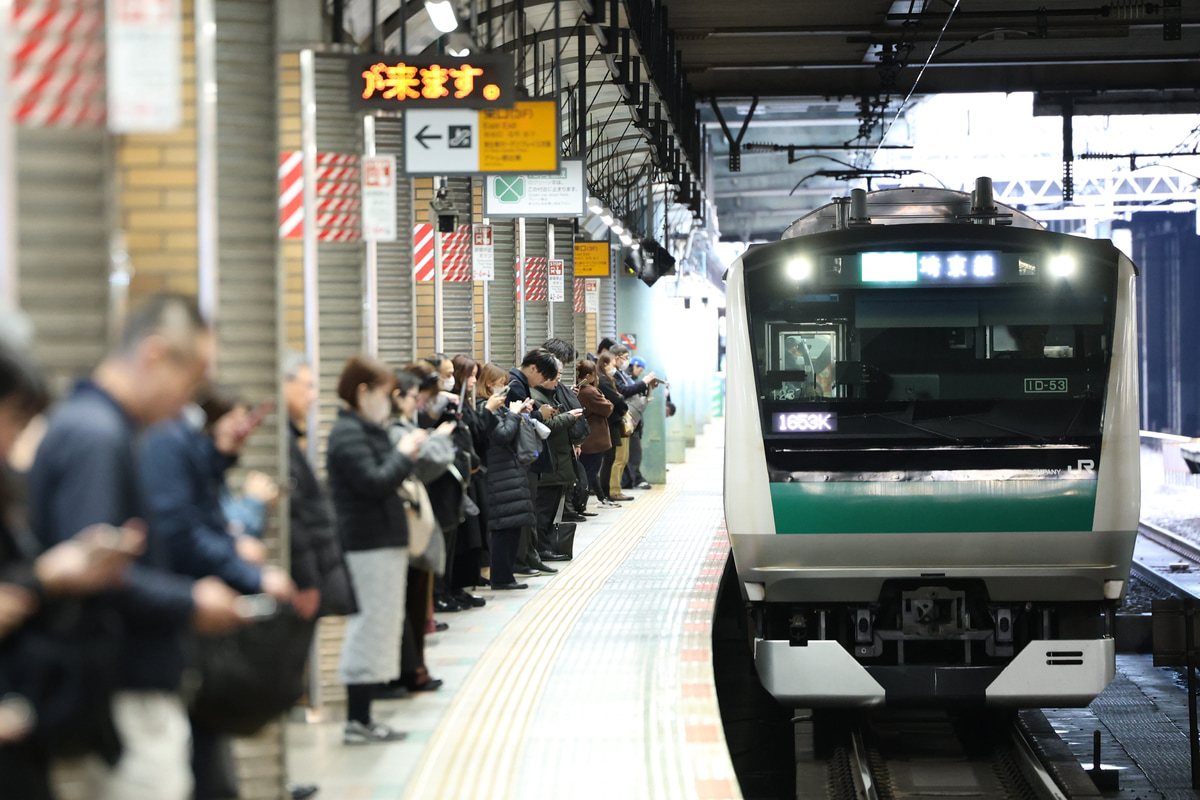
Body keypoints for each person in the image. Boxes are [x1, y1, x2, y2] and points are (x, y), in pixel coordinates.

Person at [29, 294, 245, 800]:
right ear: (154, 356)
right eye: (191, 380)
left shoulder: (99, 428)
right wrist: (190, 601)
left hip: (116, 691)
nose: (189, 402)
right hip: (120, 698)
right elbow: (96, 570)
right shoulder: (97, 438)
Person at [0, 317, 145, 800]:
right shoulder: (96, 434)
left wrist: (52, 577)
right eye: (14, 419)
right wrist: (46, 576)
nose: (16, 441)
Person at [139, 384, 298, 800]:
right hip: (183, 631)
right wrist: (245, 555)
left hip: (200, 631)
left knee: (212, 758)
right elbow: (200, 532)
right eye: (232, 422)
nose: (241, 430)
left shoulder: (200, 462)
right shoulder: (166, 447)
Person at [326, 355, 426, 745]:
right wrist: (404, 453)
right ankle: (357, 719)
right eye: (385, 394)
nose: (389, 401)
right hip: (367, 543)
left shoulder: (365, 429)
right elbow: (375, 480)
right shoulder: (347, 434)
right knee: (368, 626)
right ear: (363, 392)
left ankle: (364, 719)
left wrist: (402, 453)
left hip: (382, 541)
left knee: (380, 626)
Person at [281, 352, 354, 800]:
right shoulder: (280, 445)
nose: (312, 395)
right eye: (306, 386)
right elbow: (295, 520)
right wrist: (308, 581)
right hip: (301, 580)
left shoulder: (292, 439)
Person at [476, 363, 535, 590]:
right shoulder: (485, 408)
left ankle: (506, 575)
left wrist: (519, 414)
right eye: (501, 383)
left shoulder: (496, 408)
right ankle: (501, 577)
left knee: (512, 526)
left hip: (508, 471)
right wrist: (513, 414)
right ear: (489, 384)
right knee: (503, 527)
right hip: (498, 473)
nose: (504, 388)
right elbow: (502, 435)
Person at [530, 360, 584, 562]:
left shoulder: (550, 394)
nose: (557, 383)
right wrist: (569, 417)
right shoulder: (535, 396)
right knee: (544, 509)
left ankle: (545, 547)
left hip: (557, 459)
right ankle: (541, 548)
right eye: (556, 378)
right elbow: (546, 426)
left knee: (550, 508)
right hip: (549, 461)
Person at [575, 360, 614, 507]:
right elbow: (607, 408)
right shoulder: (590, 392)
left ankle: (598, 498)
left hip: (586, 439)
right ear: (588, 376)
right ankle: (580, 504)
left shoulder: (579, 390)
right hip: (594, 440)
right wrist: (608, 402)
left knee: (588, 471)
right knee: (589, 473)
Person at [596, 354, 631, 504]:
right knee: (609, 459)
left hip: (612, 423)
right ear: (604, 365)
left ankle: (607, 493)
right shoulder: (603, 380)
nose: (614, 367)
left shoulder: (605, 379)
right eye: (612, 364)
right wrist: (622, 404)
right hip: (610, 423)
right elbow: (617, 399)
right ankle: (607, 493)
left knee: (611, 459)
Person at [622, 356, 655, 491]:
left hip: (634, 422)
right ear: (634, 365)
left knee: (632, 454)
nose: (640, 372)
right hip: (628, 422)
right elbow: (627, 392)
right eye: (640, 369)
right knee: (632, 454)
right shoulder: (625, 379)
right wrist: (643, 383)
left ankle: (630, 480)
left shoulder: (630, 379)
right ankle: (634, 479)